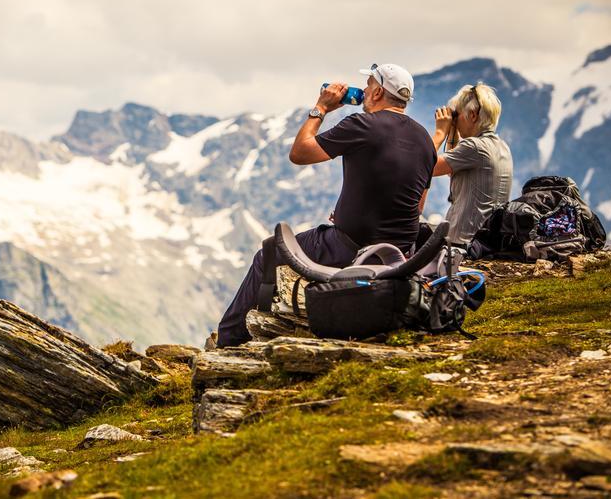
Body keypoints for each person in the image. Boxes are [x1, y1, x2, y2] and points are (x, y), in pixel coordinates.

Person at [216, 64, 437, 347]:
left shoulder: (362, 125)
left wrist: (321, 107)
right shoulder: (424, 140)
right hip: (399, 254)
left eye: (368, 86)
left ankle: (230, 342)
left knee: (268, 254)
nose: (364, 91)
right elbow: (417, 207)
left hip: (350, 245)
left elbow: (300, 153)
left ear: (379, 91)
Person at [431, 83, 513, 246]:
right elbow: (451, 170)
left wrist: (440, 133)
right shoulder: (501, 146)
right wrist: (453, 131)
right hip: (483, 242)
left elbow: (425, 167)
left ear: (473, 115)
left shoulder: (474, 147)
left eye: (458, 114)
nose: (455, 119)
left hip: (461, 244)